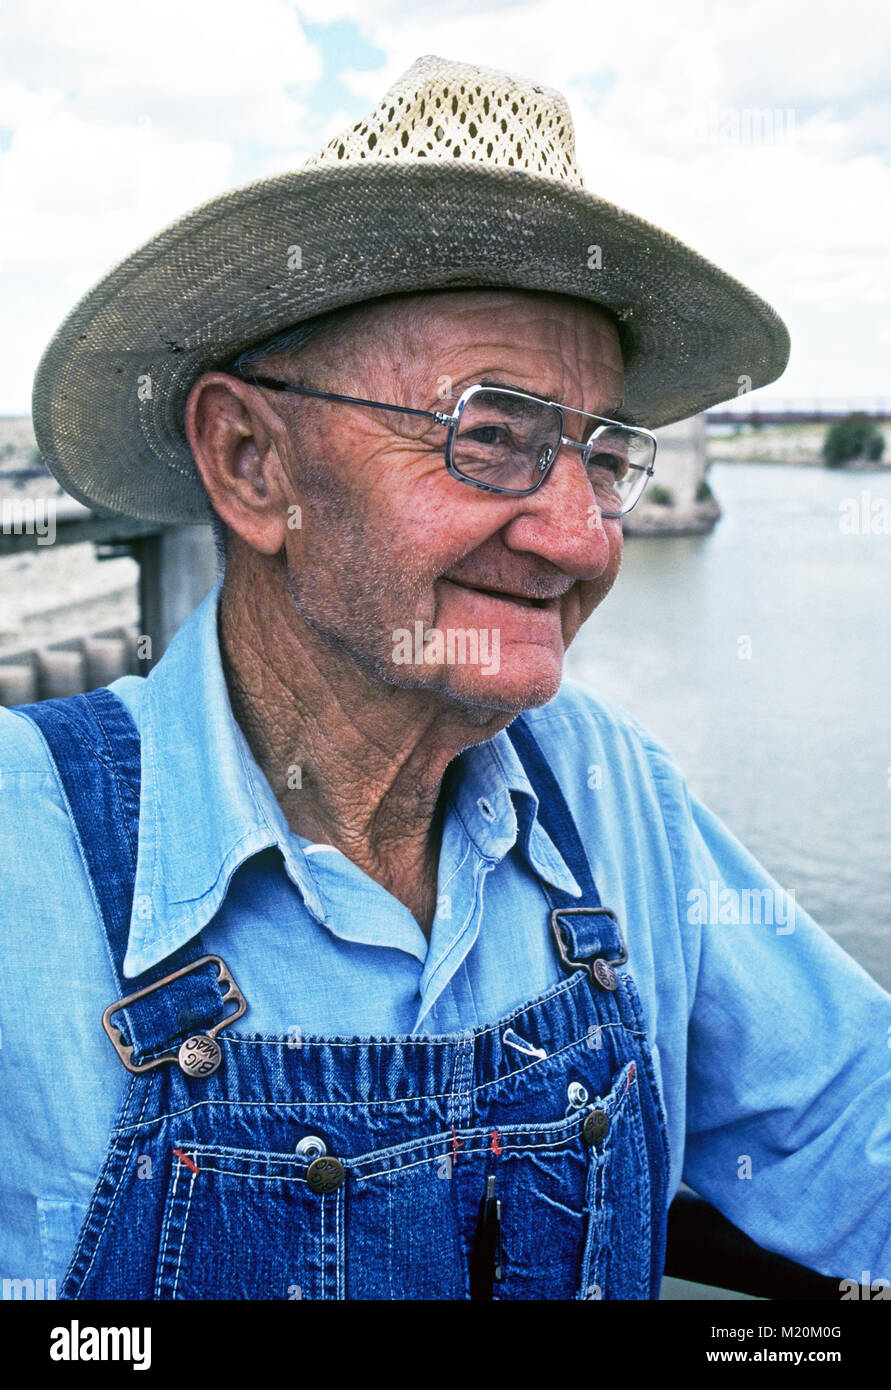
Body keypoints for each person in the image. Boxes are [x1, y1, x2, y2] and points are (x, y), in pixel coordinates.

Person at [1, 54, 888, 1303]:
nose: (583, 537)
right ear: (253, 463)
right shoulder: (21, 856)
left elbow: (858, 1135)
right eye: (491, 433)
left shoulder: (608, 791)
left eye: (606, 454)